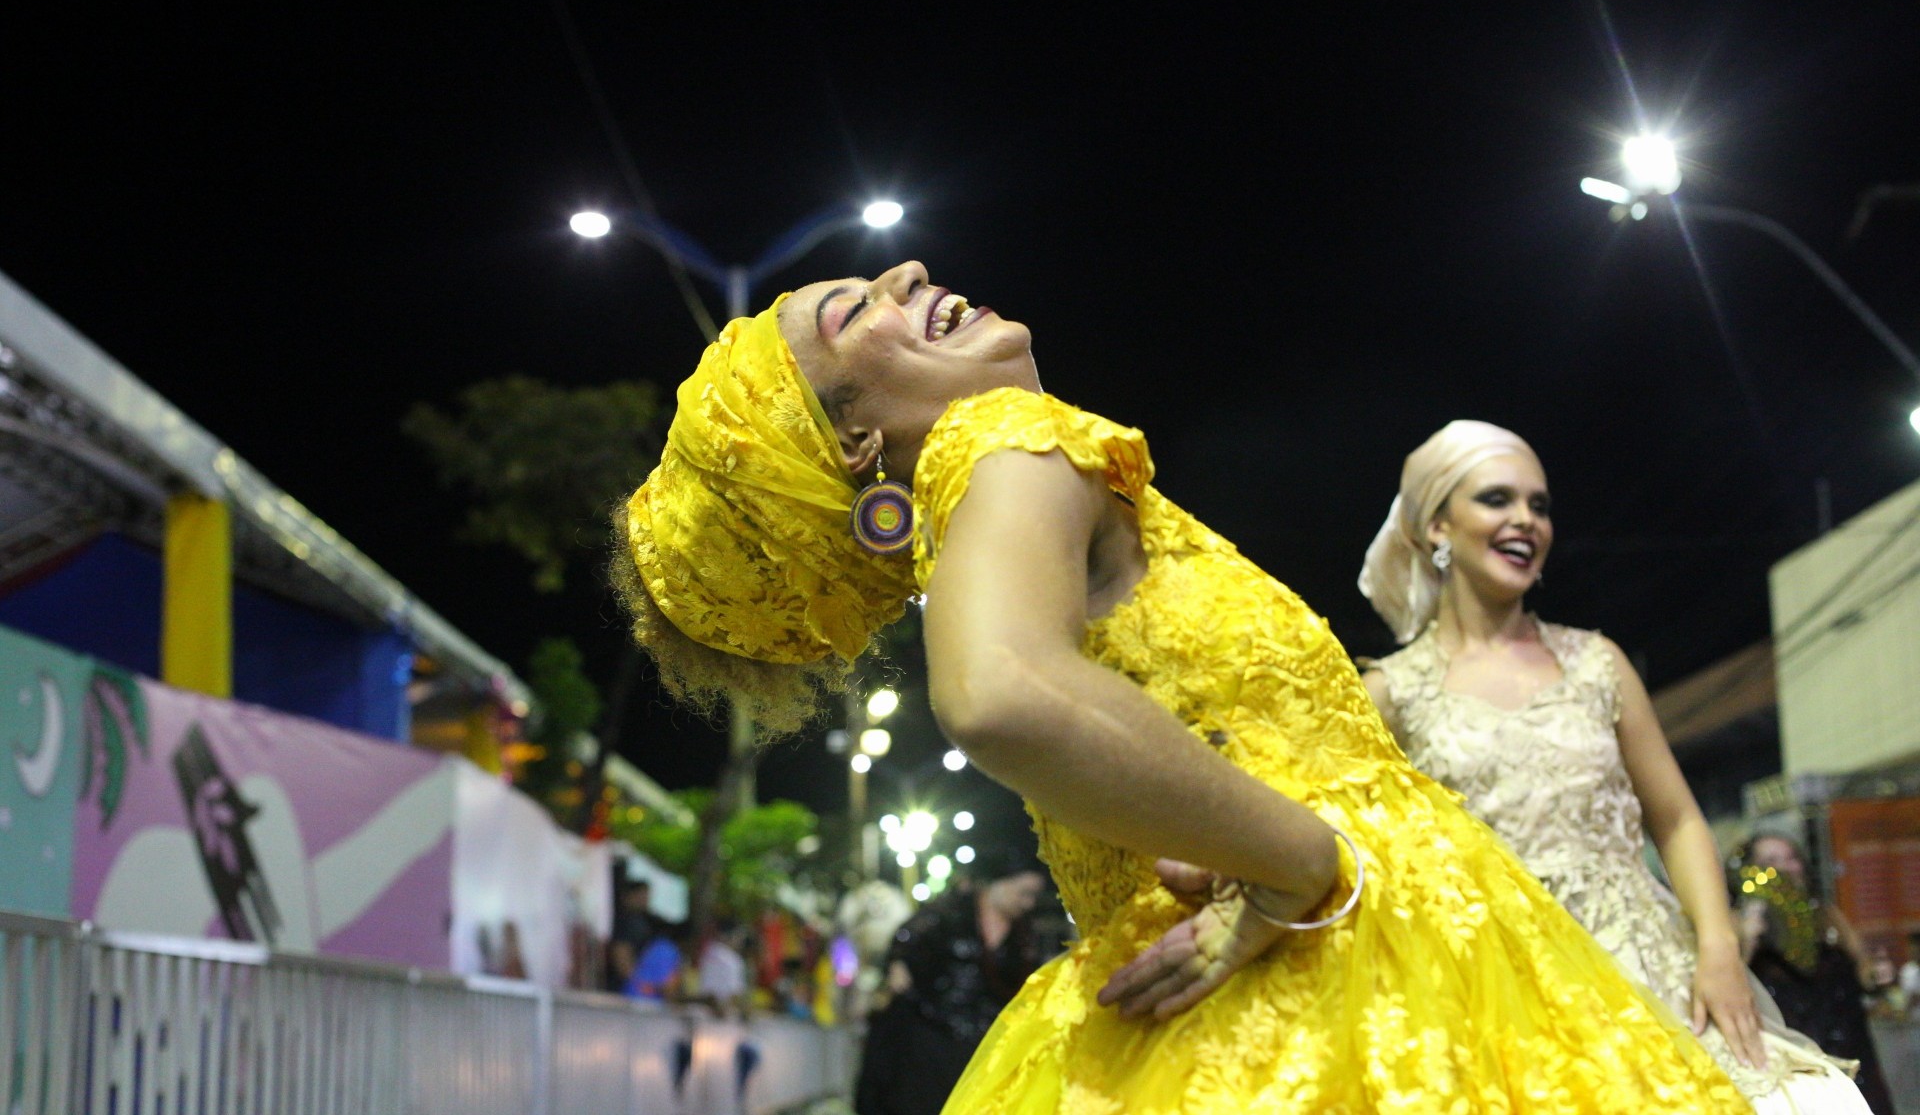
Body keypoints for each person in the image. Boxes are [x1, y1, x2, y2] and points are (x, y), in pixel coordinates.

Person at [611, 260, 1750, 1110]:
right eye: (856, 312)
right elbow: (1000, 689)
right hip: (1321, 985)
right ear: (856, 449)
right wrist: (1300, 859)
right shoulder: (1001, 436)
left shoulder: (989, 490)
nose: (907, 274)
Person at [1357, 420, 1868, 1112]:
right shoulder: (1389, 694)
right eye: (1497, 500)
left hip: (1645, 969)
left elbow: (1679, 817)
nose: (1526, 521)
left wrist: (1717, 949)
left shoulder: (1599, 664)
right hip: (1490, 989)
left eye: (1539, 505)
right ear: (1436, 527)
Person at [854, 857, 1049, 1115]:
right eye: (1022, 893)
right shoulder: (951, 911)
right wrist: (898, 964)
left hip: (983, 1040)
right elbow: (907, 936)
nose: (1028, 903)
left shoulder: (1023, 935)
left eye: (1033, 896)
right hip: (930, 1030)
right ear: (998, 883)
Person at [1739, 835, 1897, 1114]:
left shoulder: (1827, 915)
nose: (1784, 868)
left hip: (1849, 1046)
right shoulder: (1739, 925)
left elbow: (1863, 967)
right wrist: (1748, 938)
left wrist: (1876, 975)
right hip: (1793, 1062)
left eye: (1790, 858)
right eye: (1770, 862)